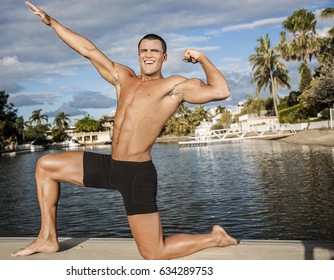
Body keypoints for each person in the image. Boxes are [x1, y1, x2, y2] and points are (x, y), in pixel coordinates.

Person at [12, 1, 238, 259]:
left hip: (137, 174)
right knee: (45, 166)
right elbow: (88, 50)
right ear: (138, 55)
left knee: (153, 253)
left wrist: (202, 58)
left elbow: (221, 91)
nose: (149, 55)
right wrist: (52, 23)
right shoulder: (123, 78)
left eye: (155, 51)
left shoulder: (174, 86)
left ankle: (215, 237)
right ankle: (48, 238)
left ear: (164, 57)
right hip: (111, 166)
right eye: (144, 50)